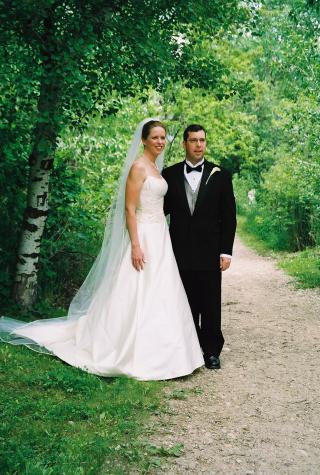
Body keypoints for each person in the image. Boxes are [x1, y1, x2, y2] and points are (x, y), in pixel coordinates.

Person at [0, 119, 204, 381]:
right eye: (155, 137)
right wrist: (136, 245)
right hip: (143, 235)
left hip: (160, 235)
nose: (160, 142)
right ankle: (126, 349)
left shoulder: (155, 167)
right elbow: (130, 209)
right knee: (135, 289)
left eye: (163, 137)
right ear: (143, 140)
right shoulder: (138, 167)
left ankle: (171, 353)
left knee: (163, 290)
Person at [162, 124, 237, 370]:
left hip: (210, 251)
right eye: (193, 140)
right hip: (179, 250)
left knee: (211, 302)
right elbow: (160, 212)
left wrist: (226, 251)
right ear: (184, 143)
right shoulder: (169, 175)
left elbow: (229, 217)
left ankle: (212, 351)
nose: (198, 145)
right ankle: (190, 348)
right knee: (186, 301)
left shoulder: (221, 175)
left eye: (202, 140)